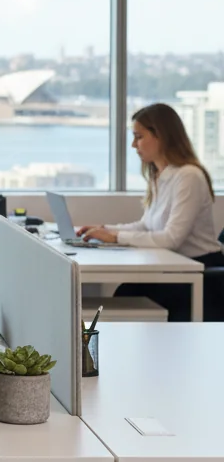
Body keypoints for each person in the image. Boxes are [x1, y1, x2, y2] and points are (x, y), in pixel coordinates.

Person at [77, 102, 223, 321]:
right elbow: (146, 225)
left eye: (139, 137)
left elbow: (171, 238)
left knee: (128, 292)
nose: (134, 145)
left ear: (161, 136)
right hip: (173, 266)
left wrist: (116, 236)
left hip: (200, 273)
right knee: (127, 290)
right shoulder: (160, 175)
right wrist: (104, 230)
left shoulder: (189, 176)